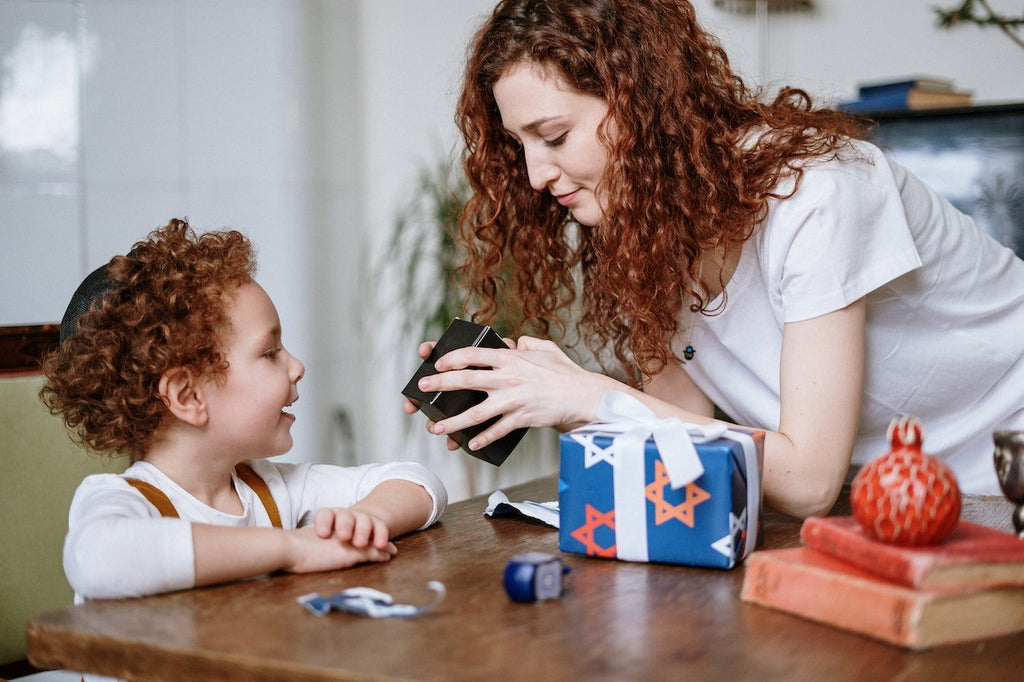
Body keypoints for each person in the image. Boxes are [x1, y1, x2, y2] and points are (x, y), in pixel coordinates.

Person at [405, 0, 1024, 518]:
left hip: (998, 478)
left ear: (639, 103)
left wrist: (586, 395)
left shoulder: (821, 192)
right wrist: (533, 393)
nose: (536, 174)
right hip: (890, 501)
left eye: (555, 136)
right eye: (521, 146)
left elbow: (807, 478)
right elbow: (678, 432)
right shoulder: (644, 226)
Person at [43, 219, 447, 602]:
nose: (297, 367)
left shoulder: (270, 489)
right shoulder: (124, 501)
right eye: (270, 353)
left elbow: (419, 482)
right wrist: (292, 549)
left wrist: (366, 518)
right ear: (187, 397)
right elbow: (98, 559)